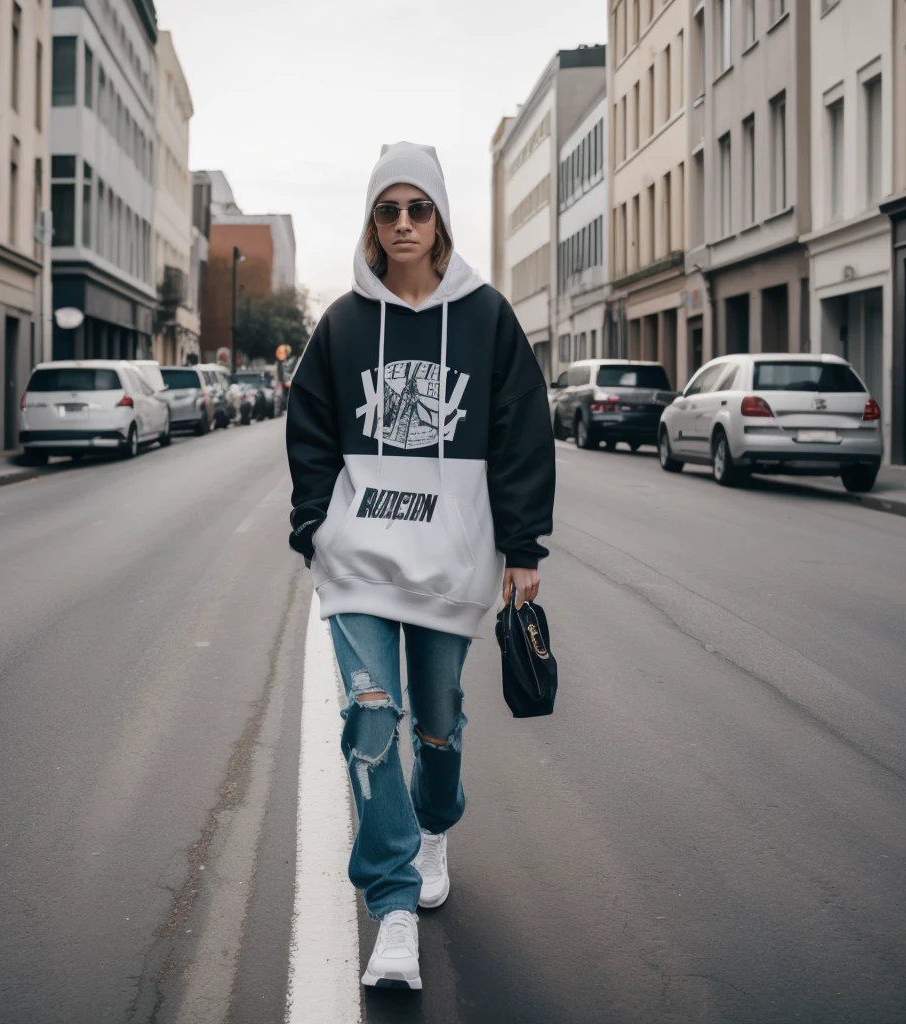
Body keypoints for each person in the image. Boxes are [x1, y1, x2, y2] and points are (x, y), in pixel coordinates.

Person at [285, 142, 555, 991]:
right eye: (386, 211)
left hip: (450, 560)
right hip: (360, 558)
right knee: (372, 722)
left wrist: (524, 549)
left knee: (436, 726)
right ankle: (393, 907)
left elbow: (521, 431)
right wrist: (313, 526)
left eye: (417, 209)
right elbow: (312, 428)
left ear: (440, 218)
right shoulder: (343, 323)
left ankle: (436, 820)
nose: (402, 225)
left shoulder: (485, 317)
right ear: (372, 223)